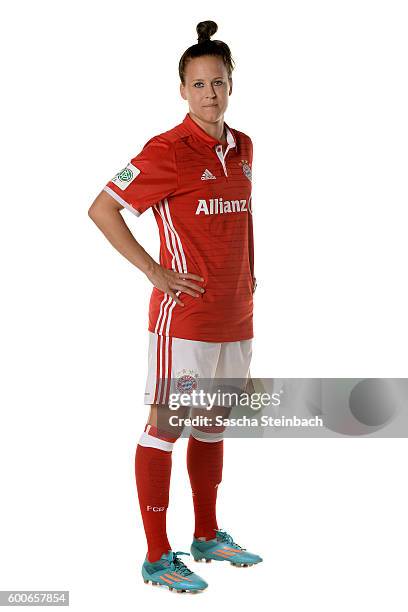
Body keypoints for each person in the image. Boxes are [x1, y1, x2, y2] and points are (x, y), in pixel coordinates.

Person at [88, 19, 262, 594]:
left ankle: (207, 535)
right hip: (183, 321)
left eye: (218, 81)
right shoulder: (166, 151)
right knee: (167, 428)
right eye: (198, 84)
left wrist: (249, 277)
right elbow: (102, 208)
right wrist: (155, 271)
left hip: (235, 315)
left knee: (212, 427)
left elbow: (238, 222)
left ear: (231, 84)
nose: (210, 93)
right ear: (182, 90)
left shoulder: (244, 148)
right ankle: (157, 555)